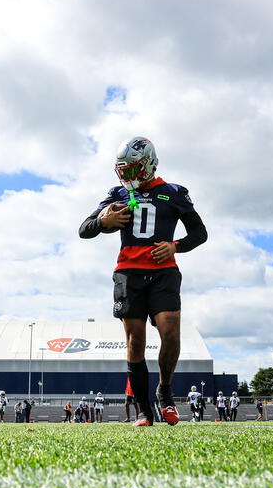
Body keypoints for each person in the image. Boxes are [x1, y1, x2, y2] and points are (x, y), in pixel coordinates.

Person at [79, 137, 207, 427]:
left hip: (164, 271)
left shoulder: (173, 192)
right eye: (123, 170)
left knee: (170, 332)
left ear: (148, 164)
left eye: (133, 169)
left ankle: (165, 389)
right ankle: (143, 410)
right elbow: (84, 230)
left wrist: (175, 246)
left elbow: (199, 233)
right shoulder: (116, 194)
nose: (128, 176)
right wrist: (103, 222)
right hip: (129, 273)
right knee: (135, 342)